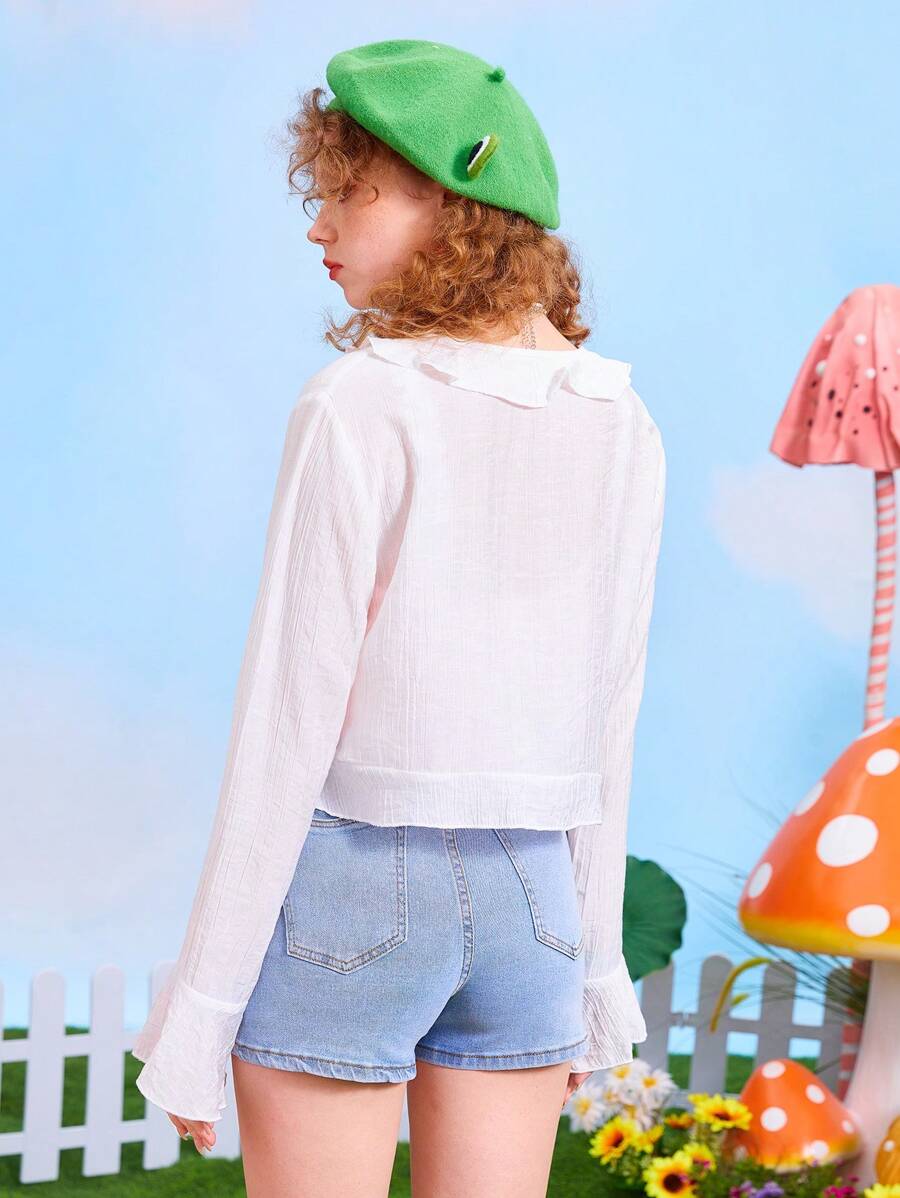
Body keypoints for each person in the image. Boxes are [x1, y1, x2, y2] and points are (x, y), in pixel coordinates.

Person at [131, 38, 666, 1198]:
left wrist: (201, 1006)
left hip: (355, 889)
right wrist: (595, 970)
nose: (318, 226)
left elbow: (286, 722)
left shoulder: (359, 404)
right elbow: (608, 719)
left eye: (351, 192)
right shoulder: (618, 420)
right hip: (538, 897)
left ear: (450, 202)